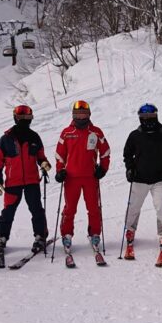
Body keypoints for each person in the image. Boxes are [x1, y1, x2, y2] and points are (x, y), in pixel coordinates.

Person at [122, 103, 162, 266]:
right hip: (139, 178)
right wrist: (130, 169)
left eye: (151, 117)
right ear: (140, 118)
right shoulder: (135, 135)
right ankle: (130, 231)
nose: (148, 121)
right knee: (133, 207)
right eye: (145, 118)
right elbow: (127, 154)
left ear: (156, 116)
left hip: (158, 178)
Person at [54, 100, 111, 257]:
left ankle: (94, 234)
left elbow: (105, 152)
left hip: (90, 177)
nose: (81, 117)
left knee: (93, 208)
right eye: (78, 114)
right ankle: (66, 235)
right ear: (73, 115)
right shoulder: (66, 133)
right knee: (70, 208)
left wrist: (103, 168)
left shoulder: (96, 132)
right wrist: (60, 171)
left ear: (89, 115)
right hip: (71, 178)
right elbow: (60, 155)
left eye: (84, 114)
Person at [0, 105, 52, 254]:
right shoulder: (6, 138)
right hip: (13, 182)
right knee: (8, 211)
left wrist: (44, 163)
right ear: (15, 118)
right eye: (21, 118)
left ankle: (40, 236)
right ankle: (2, 236)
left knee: (36, 209)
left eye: (27, 119)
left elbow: (40, 156)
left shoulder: (34, 137)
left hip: (32, 181)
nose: (24, 121)